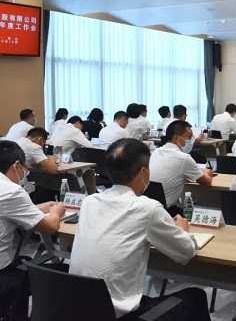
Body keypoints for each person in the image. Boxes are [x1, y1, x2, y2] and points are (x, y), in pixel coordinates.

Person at [69, 139, 209, 321]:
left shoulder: (89, 202)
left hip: (78, 308)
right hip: (118, 315)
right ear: (144, 172)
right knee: (196, 296)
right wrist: (182, 230)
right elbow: (186, 251)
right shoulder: (147, 208)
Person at [0, 141, 65, 320]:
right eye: (25, 169)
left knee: (25, 261)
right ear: (16, 166)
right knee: (38, 273)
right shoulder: (11, 190)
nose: (24, 174)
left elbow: (6, 211)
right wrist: (56, 212)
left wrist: (37, 208)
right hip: (2, 275)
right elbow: (50, 226)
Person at [149, 121, 212, 216]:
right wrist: (207, 171)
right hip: (166, 212)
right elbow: (207, 182)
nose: (191, 141)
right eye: (189, 137)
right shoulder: (183, 158)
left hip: (150, 207)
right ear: (176, 138)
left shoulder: (156, 152)